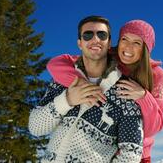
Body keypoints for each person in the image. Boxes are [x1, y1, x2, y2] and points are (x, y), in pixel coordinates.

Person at [47, 19, 163, 163]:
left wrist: (143, 97)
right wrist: (82, 84)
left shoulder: (156, 75)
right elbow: (56, 64)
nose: (128, 47)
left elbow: (154, 128)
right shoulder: (106, 58)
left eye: (137, 43)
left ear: (146, 49)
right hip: (96, 151)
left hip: (134, 155)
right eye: (125, 39)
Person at [28, 16, 143, 162]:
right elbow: (36, 128)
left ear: (109, 44)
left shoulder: (126, 92)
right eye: (88, 35)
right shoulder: (62, 81)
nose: (95, 39)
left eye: (102, 35)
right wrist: (67, 100)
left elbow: (131, 155)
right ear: (80, 43)